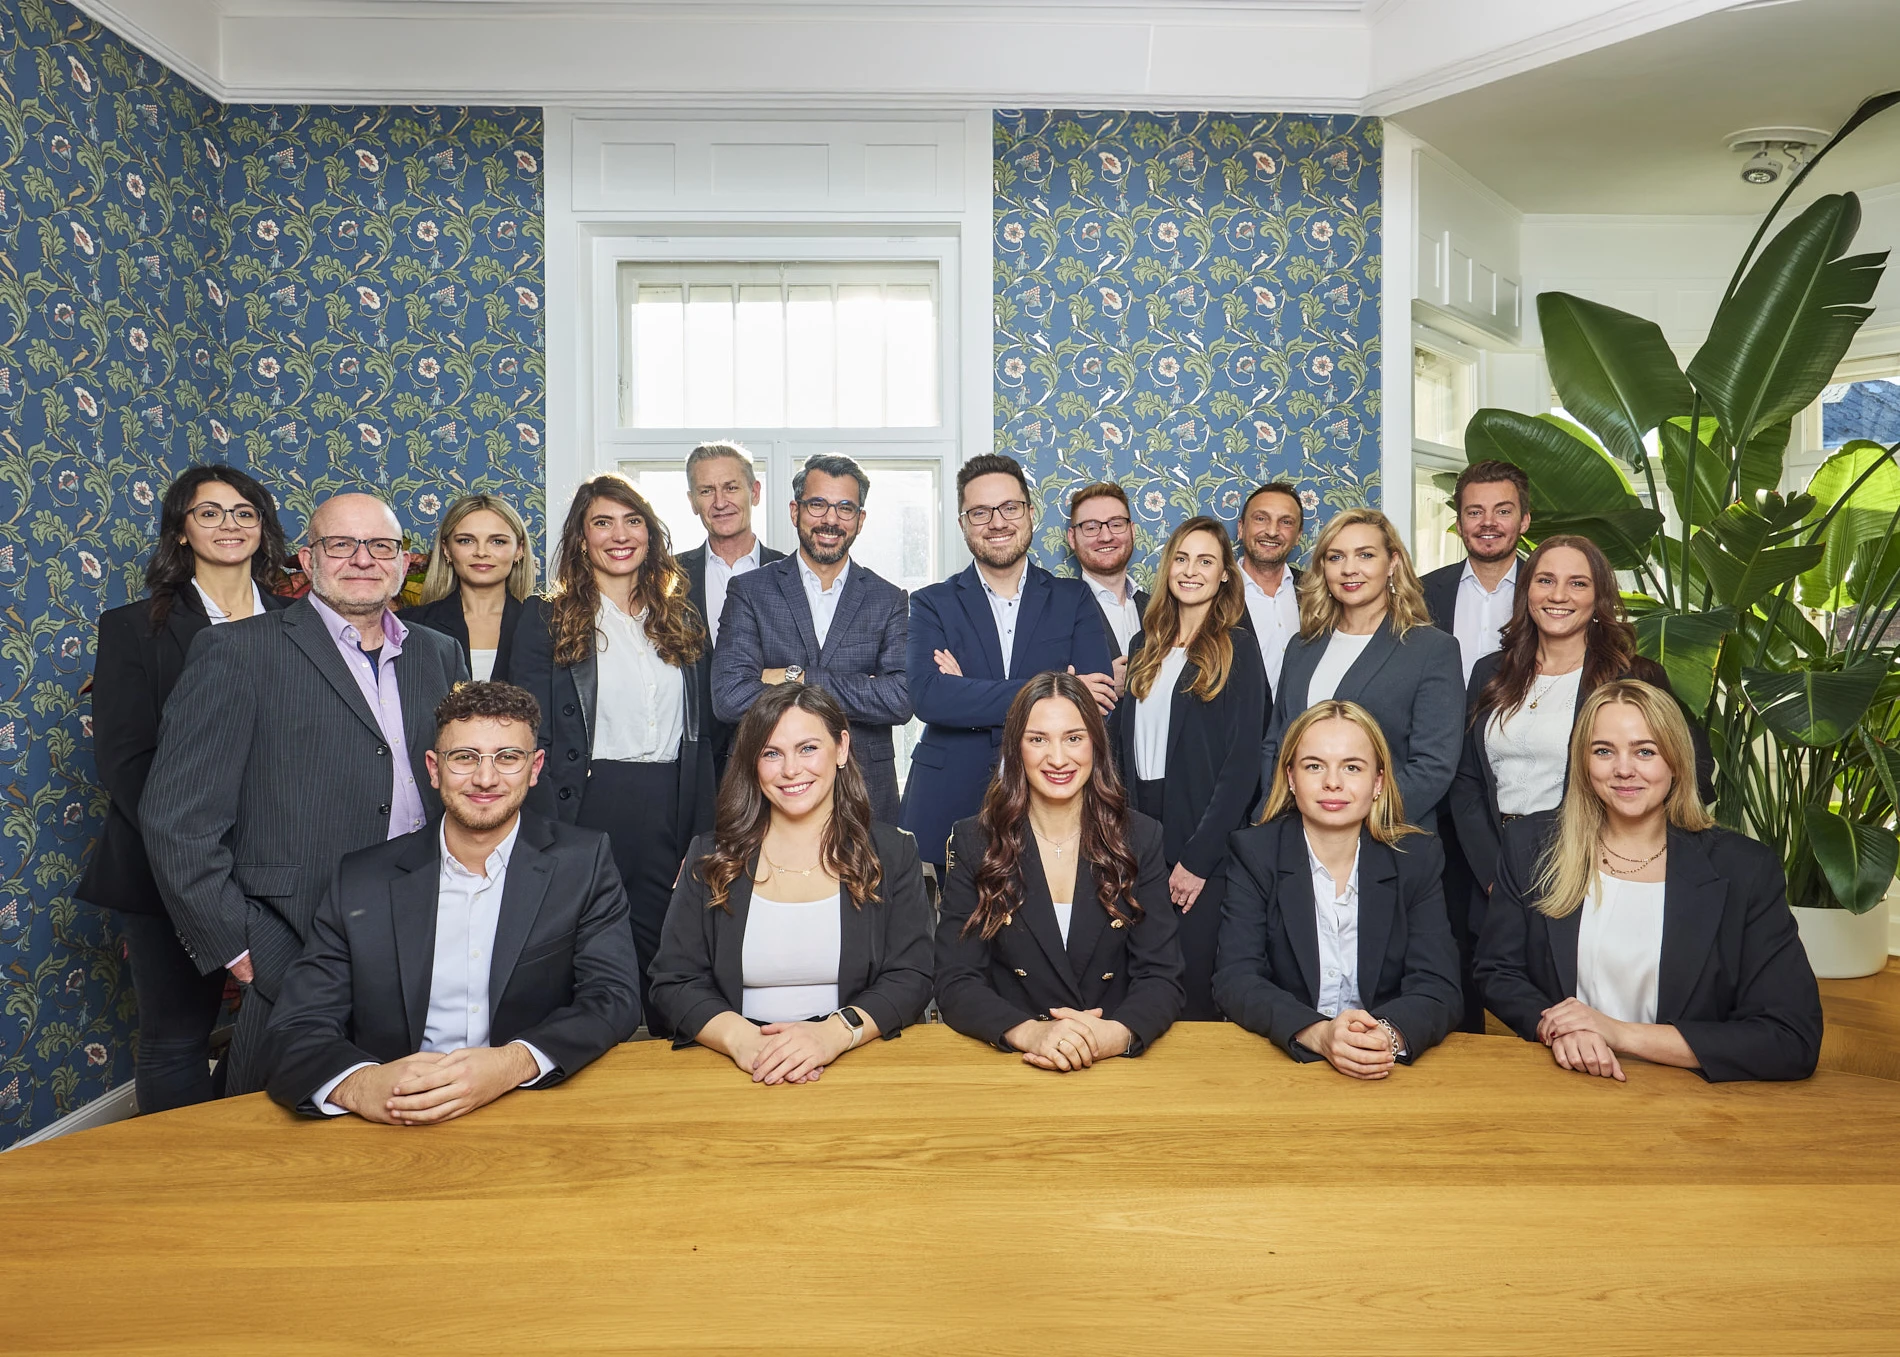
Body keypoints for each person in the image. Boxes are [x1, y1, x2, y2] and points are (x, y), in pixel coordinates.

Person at [141, 492, 467, 1094]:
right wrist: (234, 941)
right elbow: (176, 819)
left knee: (412, 1100)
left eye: (381, 546)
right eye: (341, 545)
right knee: (277, 1120)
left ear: (403, 564)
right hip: (293, 931)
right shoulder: (237, 652)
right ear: (308, 562)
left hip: (426, 919)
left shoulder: (437, 652)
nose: (362, 559)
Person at [266, 682, 643, 1120]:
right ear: (433, 768)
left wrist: (513, 1063)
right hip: (395, 1120)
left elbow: (613, 997)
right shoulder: (363, 878)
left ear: (535, 767)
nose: (485, 778)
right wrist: (363, 1086)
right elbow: (296, 1026)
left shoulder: (583, 862)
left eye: (508, 757)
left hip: (531, 1107)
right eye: (465, 758)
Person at [1474, 680, 1821, 1083]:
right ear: (1583, 763)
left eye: (1645, 751)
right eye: (1604, 751)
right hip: (1565, 1080)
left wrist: (1618, 1033)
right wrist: (1559, 1028)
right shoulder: (1530, 845)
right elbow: (1497, 971)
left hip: (1690, 1101)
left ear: (1675, 760)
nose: (1624, 769)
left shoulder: (1744, 869)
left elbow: (1792, 1039)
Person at [78, 466, 292, 1112]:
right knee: (176, 1036)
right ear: (180, 529)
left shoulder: (301, 622)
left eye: (244, 512)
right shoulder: (133, 628)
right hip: (164, 868)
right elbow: (126, 760)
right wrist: (194, 848)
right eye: (211, 512)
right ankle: (179, 1184)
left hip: (277, 860)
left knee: (283, 1021)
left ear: (264, 528)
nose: (230, 524)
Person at [648, 683, 934, 1083]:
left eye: (808, 748)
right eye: (771, 753)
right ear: (753, 762)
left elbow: (912, 975)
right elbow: (673, 981)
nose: (791, 770)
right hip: (734, 1067)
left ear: (842, 748)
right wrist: (742, 1040)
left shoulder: (893, 853)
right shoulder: (709, 855)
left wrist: (833, 1035)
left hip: (856, 1061)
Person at [512, 474, 715, 1031]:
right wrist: (547, 831)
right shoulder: (544, 617)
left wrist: (701, 834)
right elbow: (530, 736)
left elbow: (706, 740)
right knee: (585, 960)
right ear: (581, 537)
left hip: (669, 810)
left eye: (632, 521)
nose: (619, 535)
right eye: (602, 522)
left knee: (666, 961)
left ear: (650, 535)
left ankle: (663, 1096)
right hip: (587, 805)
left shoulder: (684, 618)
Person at [937, 673, 1184, 1066]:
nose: (1057, 758)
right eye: (1038, 739)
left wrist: (1114, 1036)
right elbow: (956, 980)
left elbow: (1162, 976)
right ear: (1016, 749)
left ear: (1096, 745)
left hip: (1114, 1062)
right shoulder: (976, 840)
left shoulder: (1139, 836)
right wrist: (1031, 1033)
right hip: (1013, 1062)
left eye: (1073, 738)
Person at [1215, 700, 1461, 1075]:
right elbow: (1236, 980)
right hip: (1287, 1065)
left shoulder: (1417, 857)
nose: (1333, 782)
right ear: (1291, 778)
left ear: (1378, 782)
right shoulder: (1255, 853)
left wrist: (1383, 1038)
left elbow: (1438, 987)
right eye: (1314, 766)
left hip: (1384, 1065)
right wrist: (1318, 1034)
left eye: (1352, 767)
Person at [902, 454, 1114, 869]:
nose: (997, 522)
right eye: (980, 512)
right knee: (950, 932)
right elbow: (929, 698)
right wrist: (1052, 688)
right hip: (949, 801)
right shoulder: (931, 603)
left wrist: (969, 688)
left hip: (1053, 802)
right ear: (962, 523)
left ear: (1030, 513)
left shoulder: (1074, 600)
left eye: (1009, 508)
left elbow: (1096, 704)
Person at [1110, 516, 1264, 1020]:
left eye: (1206, 561)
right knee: (1141, 971)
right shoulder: (1143, 647)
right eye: (1181, 558)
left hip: (1203, 831)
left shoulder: (1236, 646)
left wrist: (1199, 859)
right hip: (1140, 829)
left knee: (1192, 979)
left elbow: (1243, 764)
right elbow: (1122, 751)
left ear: (1224, 575)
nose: (1191, 570)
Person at [712, 453, 911, 823]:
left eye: (845, 508)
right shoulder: (750, 592)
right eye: (818, 504)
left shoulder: (889, 599)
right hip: (769, 793)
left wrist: (796, 678)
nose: (830, 519)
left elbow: (900, 698)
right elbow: (729, 697)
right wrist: (861, 689)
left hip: (865, 792)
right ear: (795, 511)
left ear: (860, 520)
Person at [1260, 507, 1463, 824]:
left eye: (1365, 555)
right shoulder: (1302, 647)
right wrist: (1273, 814)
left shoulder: (1432, 649)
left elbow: (1433, 766)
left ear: (1392, 563)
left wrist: (1353, 823)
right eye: (1336, 557)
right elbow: (1276, 744)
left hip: (1384, 839)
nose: (1349, 569)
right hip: (1293, 836)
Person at [675, 441, 787, 774]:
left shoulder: (792, 574)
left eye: (731, 487)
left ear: (754, 492)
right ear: (693, 501)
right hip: (693, 764)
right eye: (706, 491)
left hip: (776, 753)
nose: (720, 502)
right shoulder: (666, 578)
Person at [400, 492, 535, 683]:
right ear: (446, 549)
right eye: (466, 540)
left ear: (519, 550)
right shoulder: (407, 626)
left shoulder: (546, 629)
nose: (481, 552)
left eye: (497, 541)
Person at [1422, 460, 1532, 684]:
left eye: (1502, 511)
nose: (1488, 522)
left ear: (1524, 521)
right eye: (1475, 512)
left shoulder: (1547, 594)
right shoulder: (1421, 592)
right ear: (1459, 525)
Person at [1066, 482, 1147, 685]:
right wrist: (1088, 687)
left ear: (1132, 531)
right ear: (1072, 538)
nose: (1106, 536)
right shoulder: (1056, 611)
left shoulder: (1160, 609)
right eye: (1091, 527)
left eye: (1116, 524)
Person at [1233, 481, 1304, 709]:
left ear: (1298, 535)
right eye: (1261, 518)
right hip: (1238, 740)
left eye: (1286, 522)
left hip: (1306, 736)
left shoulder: (1317, 591)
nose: (1272, 531)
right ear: (1241, 528)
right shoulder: (1213, 592)